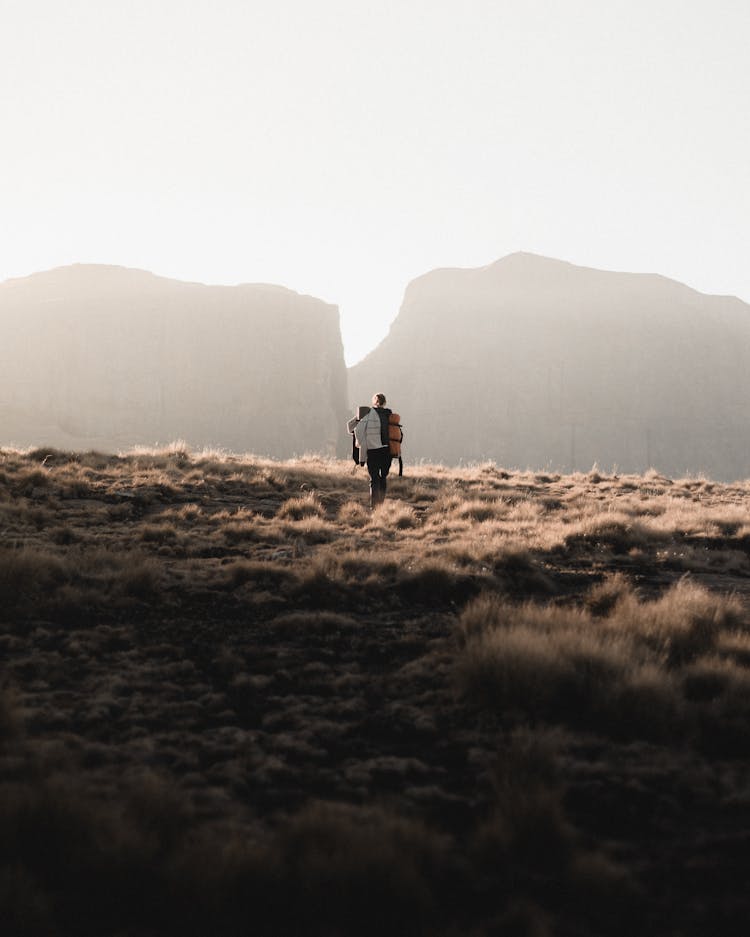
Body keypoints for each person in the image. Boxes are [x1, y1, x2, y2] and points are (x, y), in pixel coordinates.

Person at [354, 393, 392, 509]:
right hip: (387, 451)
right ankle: (381, 503)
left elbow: (358, 430)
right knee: (383, 477)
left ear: (374, 402)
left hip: (373, 451)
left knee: (374, 478)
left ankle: (375, 507)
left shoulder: (369, 415)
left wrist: (361, 443)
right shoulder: (389, 415)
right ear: (384, 402)